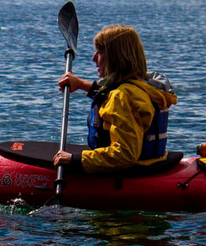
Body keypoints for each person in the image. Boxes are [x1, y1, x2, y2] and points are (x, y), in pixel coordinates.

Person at [53, 24, 177, 174]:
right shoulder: (142, 85)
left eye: (99, 52)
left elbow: (125, 154)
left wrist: (75, 159)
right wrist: (80, 84)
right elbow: (108, 94)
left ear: (115, 58)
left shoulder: (123, 96)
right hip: (152, 163)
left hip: (130, 172)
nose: (93, 58)